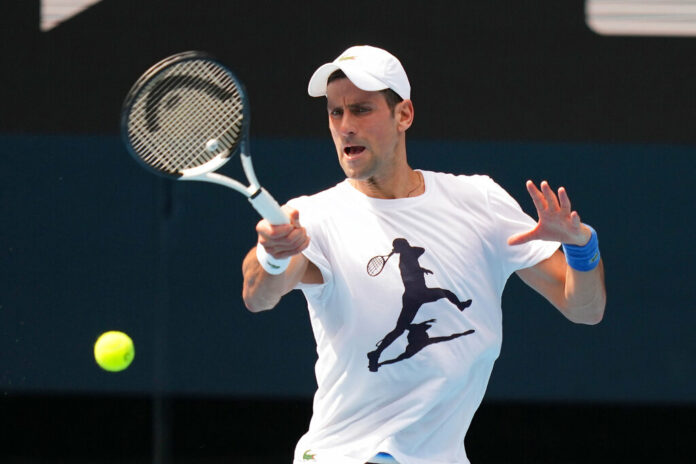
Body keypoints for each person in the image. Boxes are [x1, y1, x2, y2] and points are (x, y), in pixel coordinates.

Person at [242, 45, 606, 464]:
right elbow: (258, 295)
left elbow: (585, 309)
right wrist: (273, 255)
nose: (345, 127)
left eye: (361, 110)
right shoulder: (315, 218)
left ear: (404, 115)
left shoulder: (478, 201)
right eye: (335, 113)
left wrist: (581, 248)